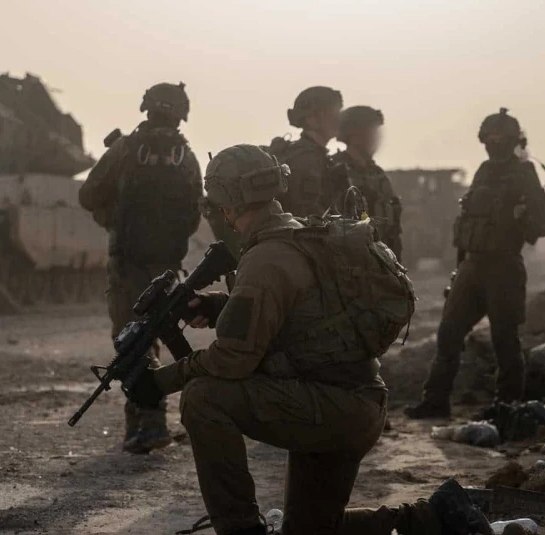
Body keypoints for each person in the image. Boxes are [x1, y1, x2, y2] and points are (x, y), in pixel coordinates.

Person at [125, 144, 493, 535]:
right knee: (310, 531)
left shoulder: (265, 258)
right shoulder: (300, 232)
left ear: (229, 202)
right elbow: (301, 313)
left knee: (203, 396)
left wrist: (159, 383)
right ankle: (435, 517)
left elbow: (233, 360)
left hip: (331, 406)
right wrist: (219, 306)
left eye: (217, 204)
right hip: (352, 401)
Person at [78, 82, 203, 453]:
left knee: (131, 338)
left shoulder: (125, 149)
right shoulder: (188, 157)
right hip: (167, 263)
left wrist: (113, 218)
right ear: (182, 113)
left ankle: (145, 425)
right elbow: (194, 216)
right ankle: (152, 421)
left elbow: (87, 196)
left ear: (146, 108)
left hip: (126, 262)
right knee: (155, 336)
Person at [406, 108, 545, 419]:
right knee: (448, 333)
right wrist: (458, 271)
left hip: (504, 267)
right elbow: (467, 223)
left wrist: (524, 215)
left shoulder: (524, 174)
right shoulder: (484, 171)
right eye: (489, 138)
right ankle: (435, 401)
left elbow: (541, 226)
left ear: (513, 140)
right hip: (471, 266)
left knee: (504, 338)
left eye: (499, 138)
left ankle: (507, 406)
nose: (493, 143)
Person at [332, 105, 404, 260]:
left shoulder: (378, 175)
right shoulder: (336, 172)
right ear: (354, 135)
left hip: (382, 260)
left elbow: (393, 227)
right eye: (371, 132)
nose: (376, 138)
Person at [276, 86, 350, 218]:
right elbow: (308, 216)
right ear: (312, 118)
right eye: (332, 114)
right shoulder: (306, 159)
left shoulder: (317, 155)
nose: (338, 120)